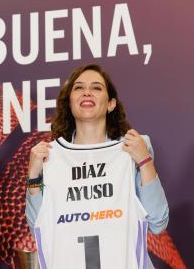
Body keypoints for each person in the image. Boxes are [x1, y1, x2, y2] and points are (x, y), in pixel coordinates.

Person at [25, 64, 169, 268]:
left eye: (96, 88)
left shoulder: (132, 149)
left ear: (111, 103)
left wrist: (144, 162)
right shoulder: (50, 156)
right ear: (69, 102)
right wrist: (33, 177)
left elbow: (158, 222)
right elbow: (39, 228)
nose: (87, 92)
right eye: (78, 88)